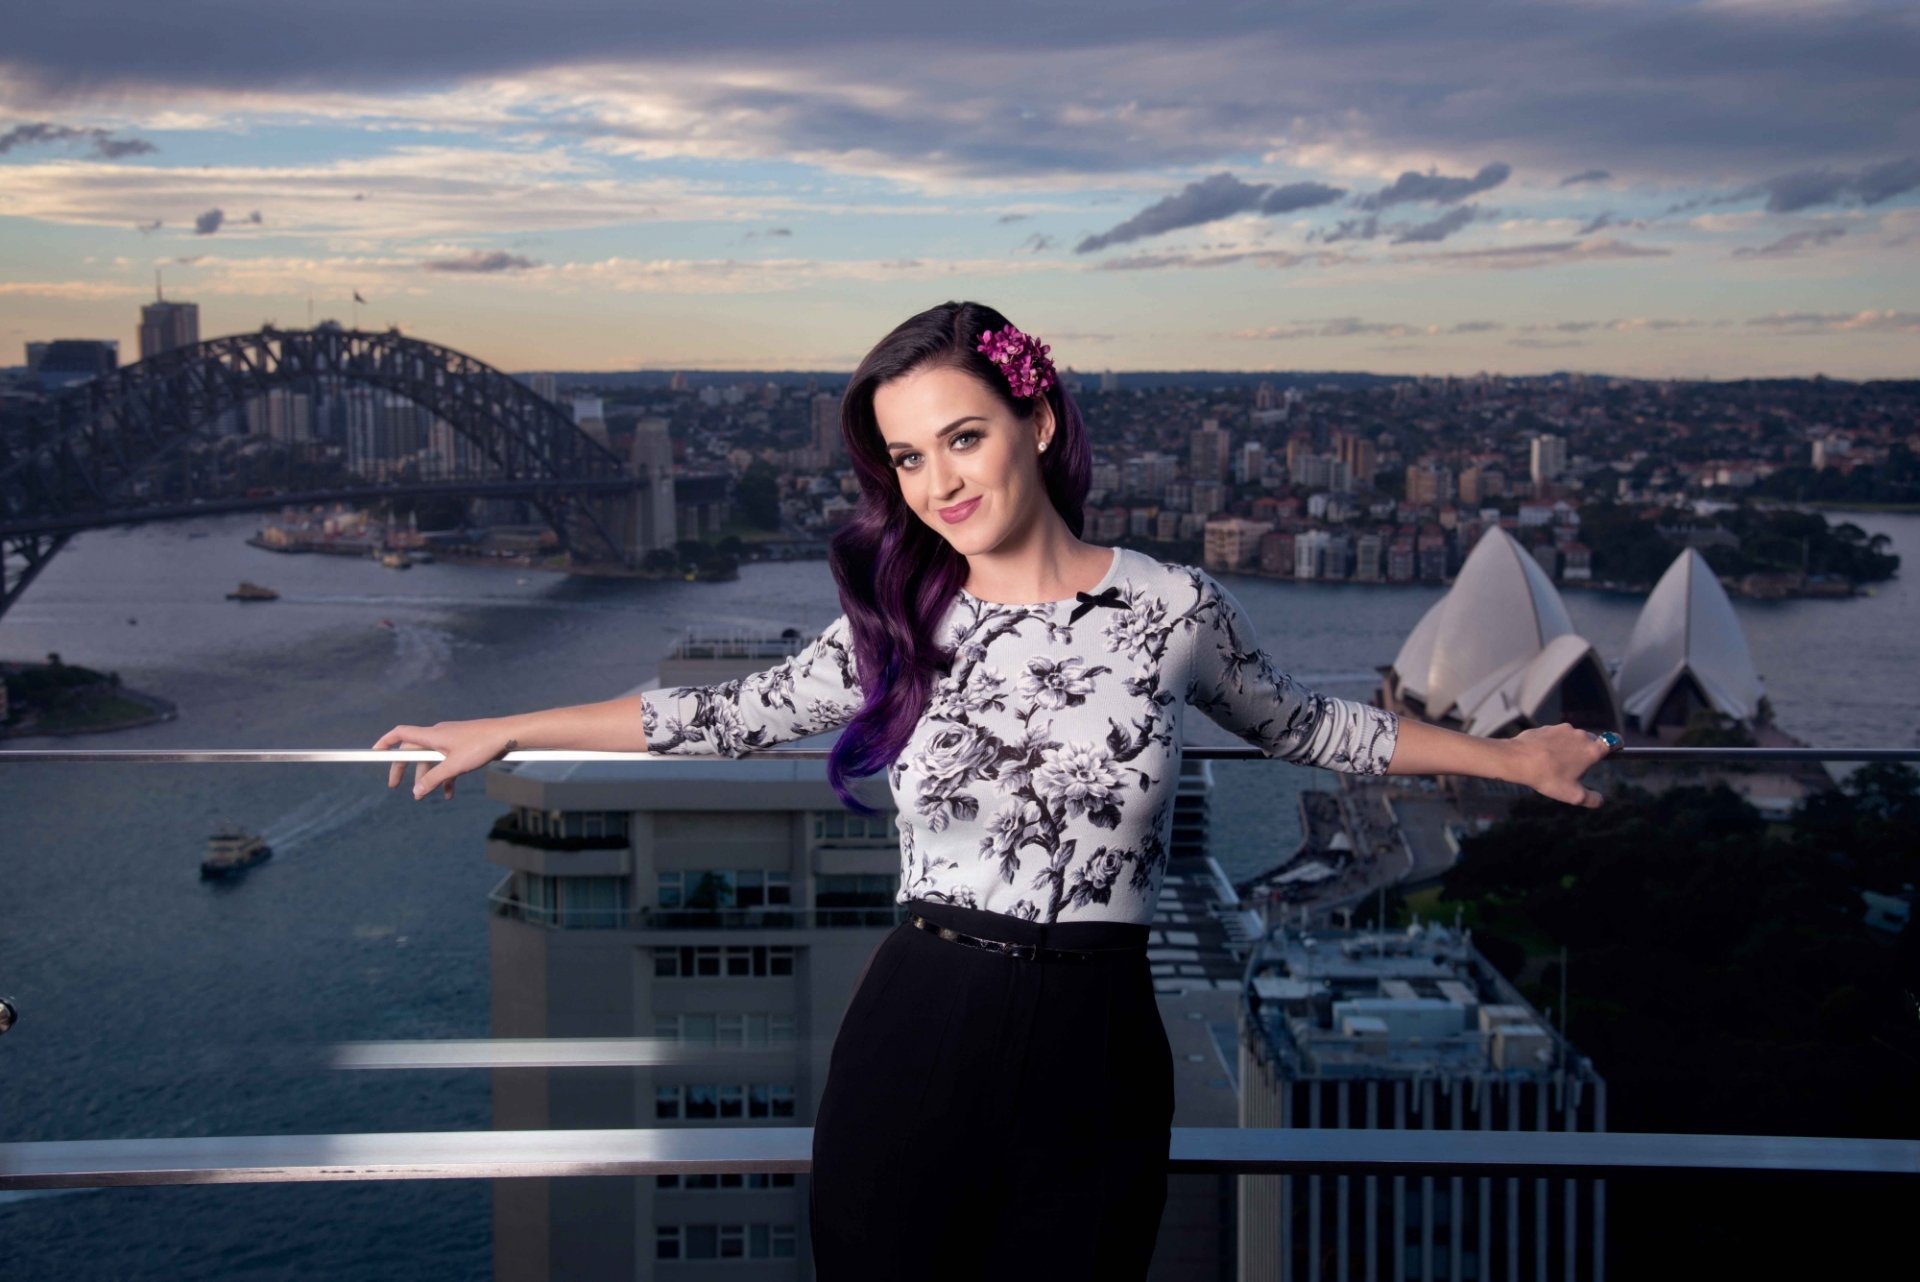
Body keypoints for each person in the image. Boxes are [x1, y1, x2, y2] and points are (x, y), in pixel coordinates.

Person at [371, 301, 1615, 1280]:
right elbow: (714, 713)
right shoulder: (903, 618)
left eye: (961, 437)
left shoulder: (1174, 606)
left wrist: (1513, 757)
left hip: (1099, 1045)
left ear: (1035, 421)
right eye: (908, 457)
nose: (937, 482)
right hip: (920, 1022)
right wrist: (502, 723)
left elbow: (1309, 726)